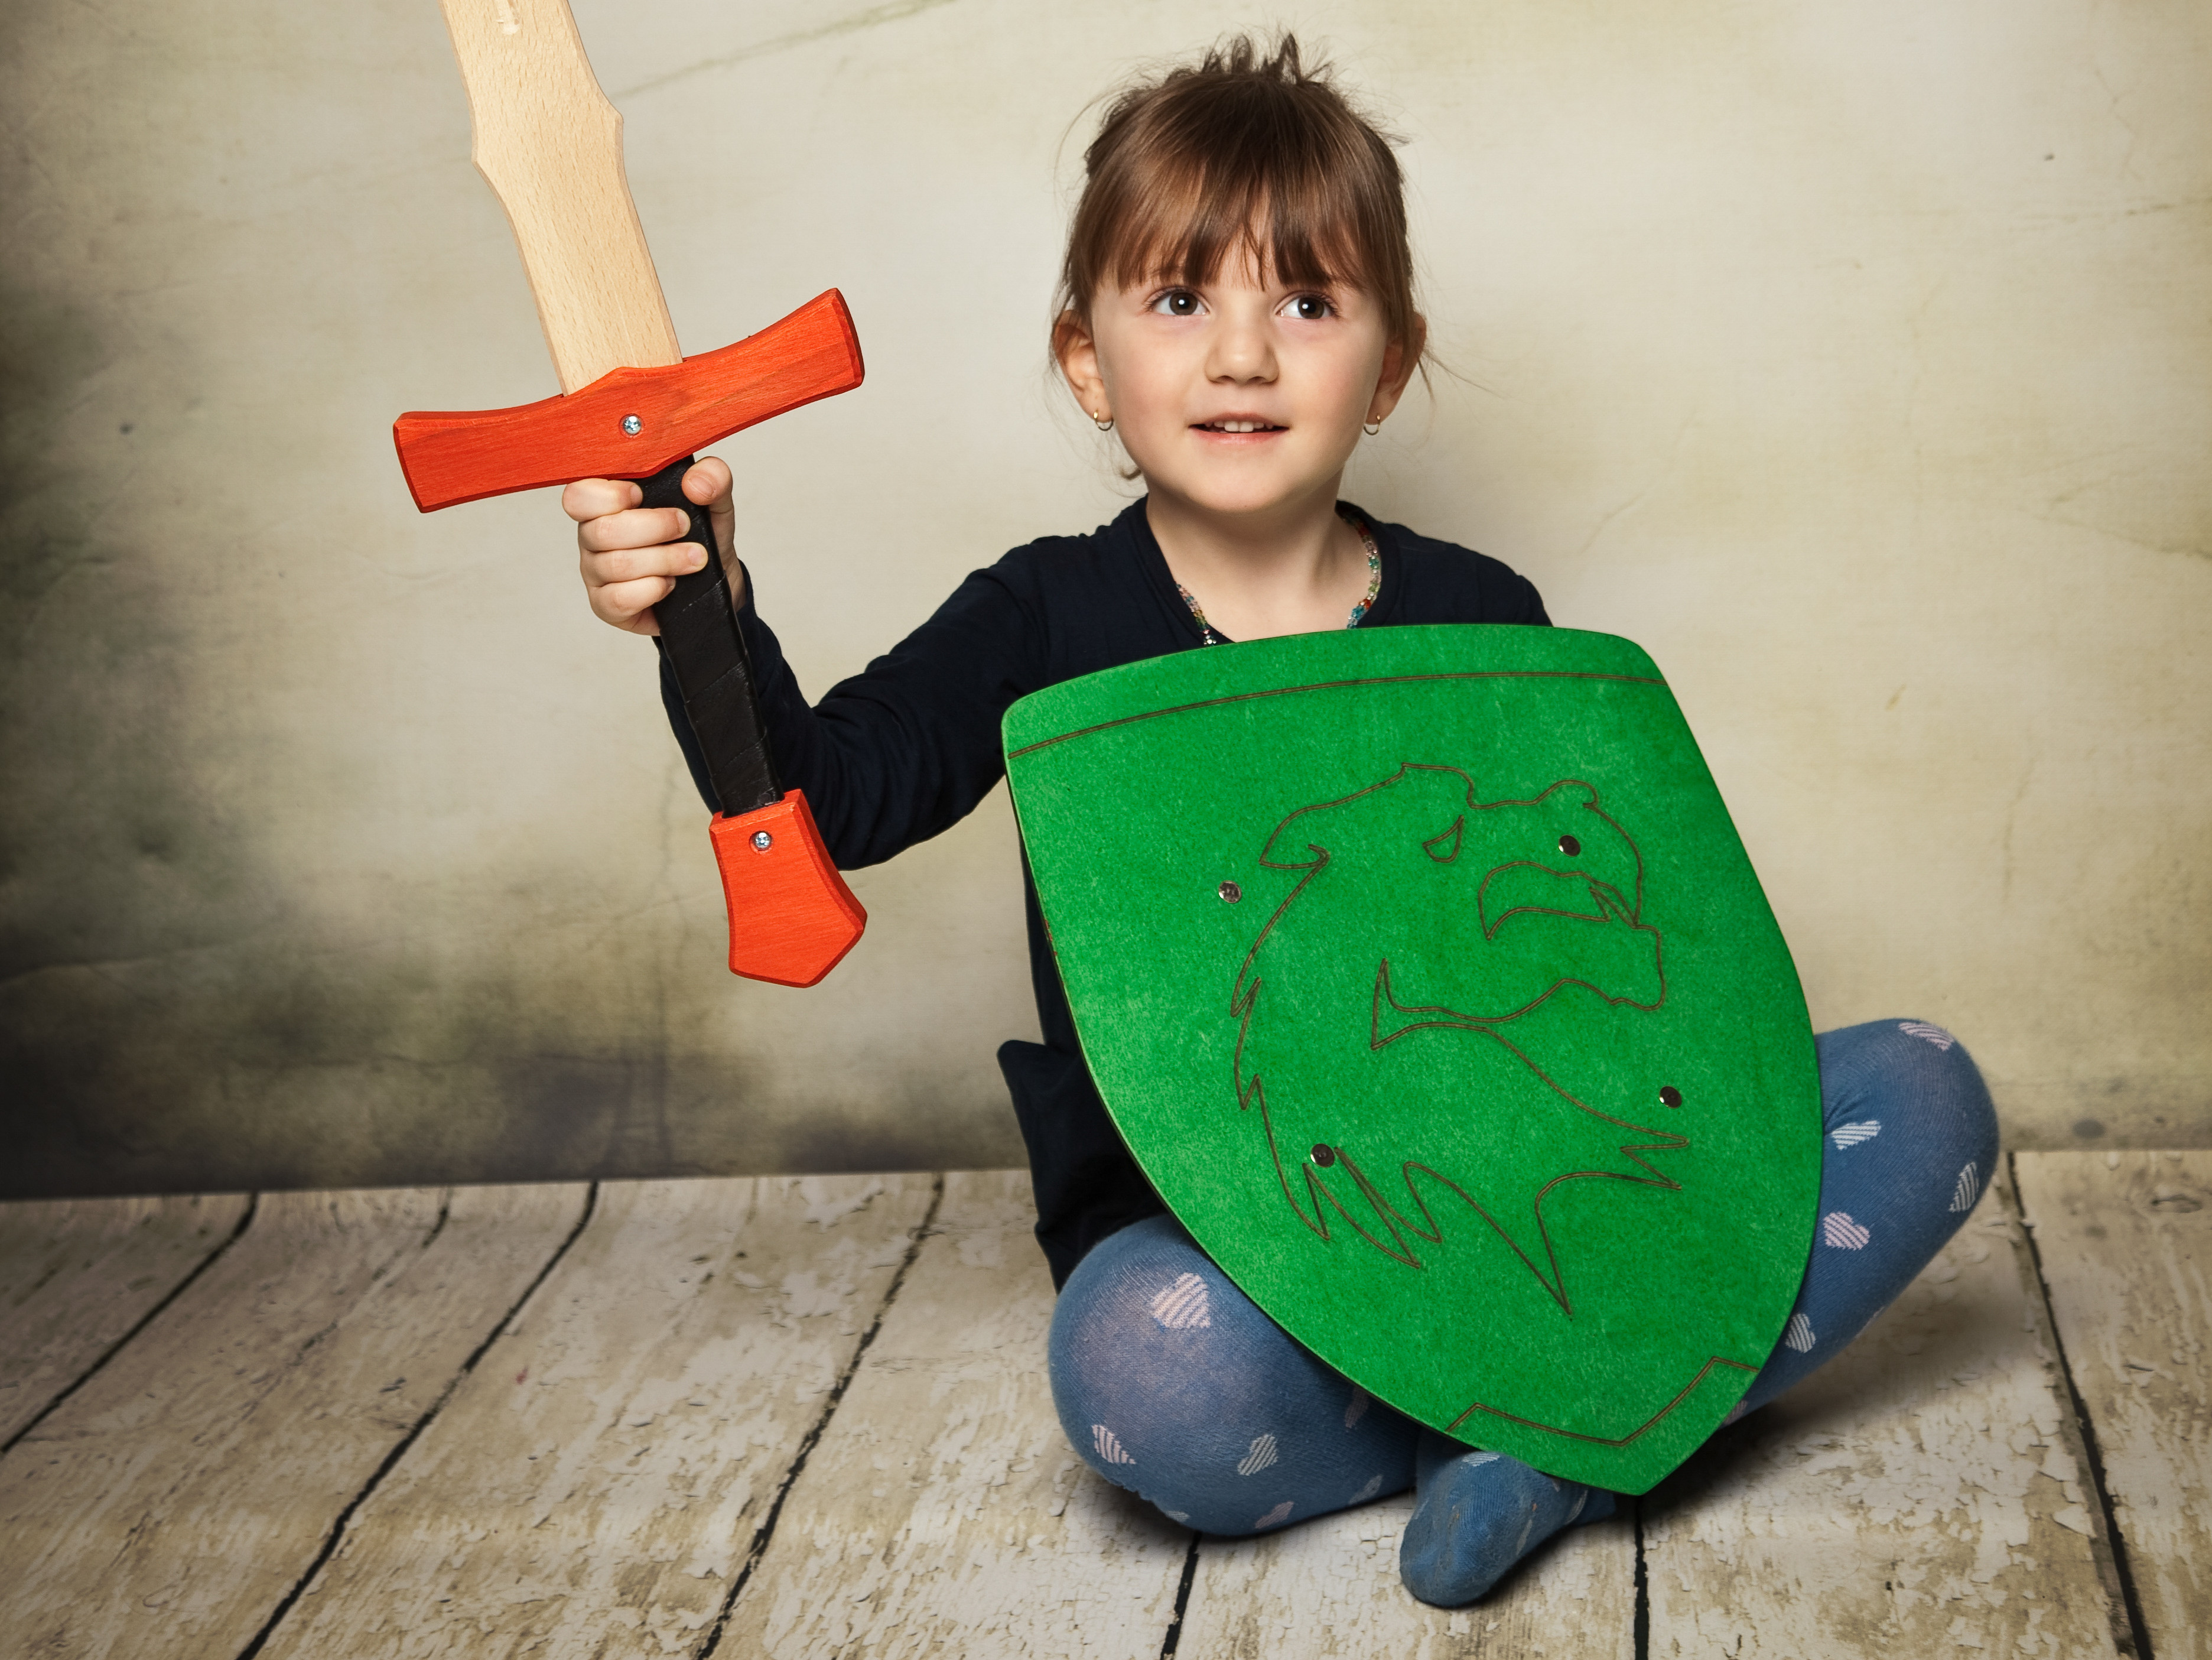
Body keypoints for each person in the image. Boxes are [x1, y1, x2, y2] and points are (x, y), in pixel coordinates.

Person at [563, 34, 1999, 1609]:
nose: (1243, 354)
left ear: (1388, 364)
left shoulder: (1481, 618)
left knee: (1925, 1091)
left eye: (1306, 303)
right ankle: (1555, 1424)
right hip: (1227, 1248)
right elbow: (825, 803)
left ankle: (1551, 1439)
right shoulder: (1044, 617)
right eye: (1181, 300)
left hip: (1528, 1171)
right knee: (1139, 1367)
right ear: (1088, 360)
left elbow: (1615, 954)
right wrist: (706, 607)